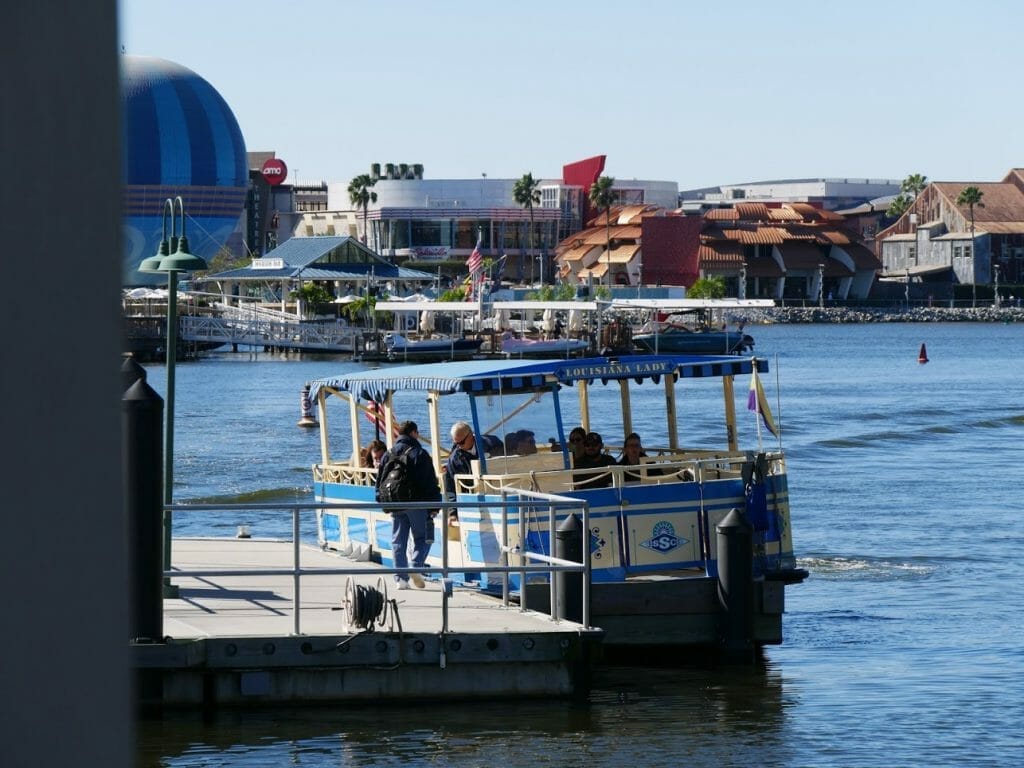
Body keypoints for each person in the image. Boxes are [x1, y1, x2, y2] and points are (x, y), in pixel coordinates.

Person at [375, 420, 440, 590]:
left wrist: (380, 499)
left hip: (395, 502)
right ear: (413, 433)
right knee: (423, 537)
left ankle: (400, 579)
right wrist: (435, 505)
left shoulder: (388, 454)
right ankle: (415, 565)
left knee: (398, 540)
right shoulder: (419, 453)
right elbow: (429, 481)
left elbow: (380, 480)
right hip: (417, 503)